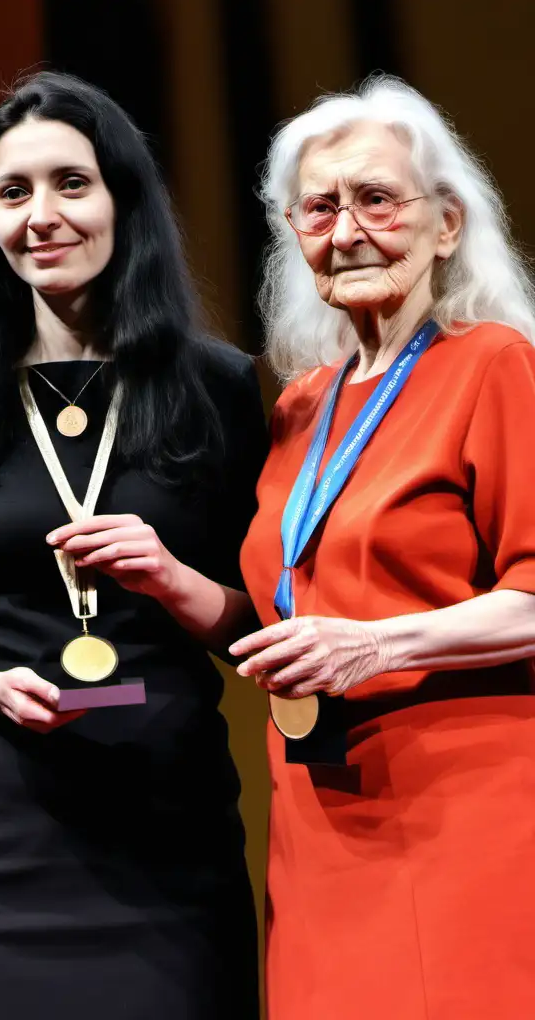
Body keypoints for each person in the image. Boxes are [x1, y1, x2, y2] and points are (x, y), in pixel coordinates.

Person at [0, 72, 265, 1019]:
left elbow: (268, 624)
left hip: (169, 821)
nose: (42, 215)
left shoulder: (218, 388)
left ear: (124, 198)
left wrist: (172, 581)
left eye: (71, 184)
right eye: (13, 192)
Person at [231, 77, 535, 1018]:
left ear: (446, 224)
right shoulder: (301, 404)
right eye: (318, 208)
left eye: (375, 199)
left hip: (467, 812)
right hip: (319, 815)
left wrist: (380, 644)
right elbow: (290, 600)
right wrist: (172, 584)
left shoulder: (493, 364)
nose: (346, 229)